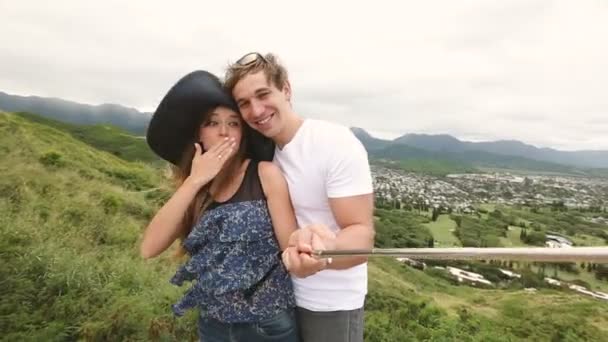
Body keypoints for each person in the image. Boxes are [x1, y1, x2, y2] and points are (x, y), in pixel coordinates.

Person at [224, 53, 375, 342]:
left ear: (286, 90)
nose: (256, 110)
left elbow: (362, 238)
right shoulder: (266, 154)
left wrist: (325, 251)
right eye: (244, 103)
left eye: (263, 94)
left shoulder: (333, 142)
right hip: (280, 300)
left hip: (329, 303)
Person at [141, 70, 300, 342]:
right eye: (212, 123)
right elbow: (149, 248)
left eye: (234, 123)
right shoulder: (195, 189)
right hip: (212, 325)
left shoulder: (264, 175)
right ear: (199, 133)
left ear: (244, 134)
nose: (224, 131)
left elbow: (291, 247)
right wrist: (194, 181)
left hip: (268, 325)